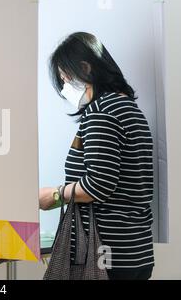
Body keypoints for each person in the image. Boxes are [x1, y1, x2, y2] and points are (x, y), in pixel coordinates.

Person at [39, 32, 154, 280]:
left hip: (105, 255)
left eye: (65, 77)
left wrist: (55, 195)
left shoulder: (101, 112)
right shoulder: (128, 108)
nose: (64, 86)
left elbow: (98, 185)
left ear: (85, 68)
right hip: (135, 249)